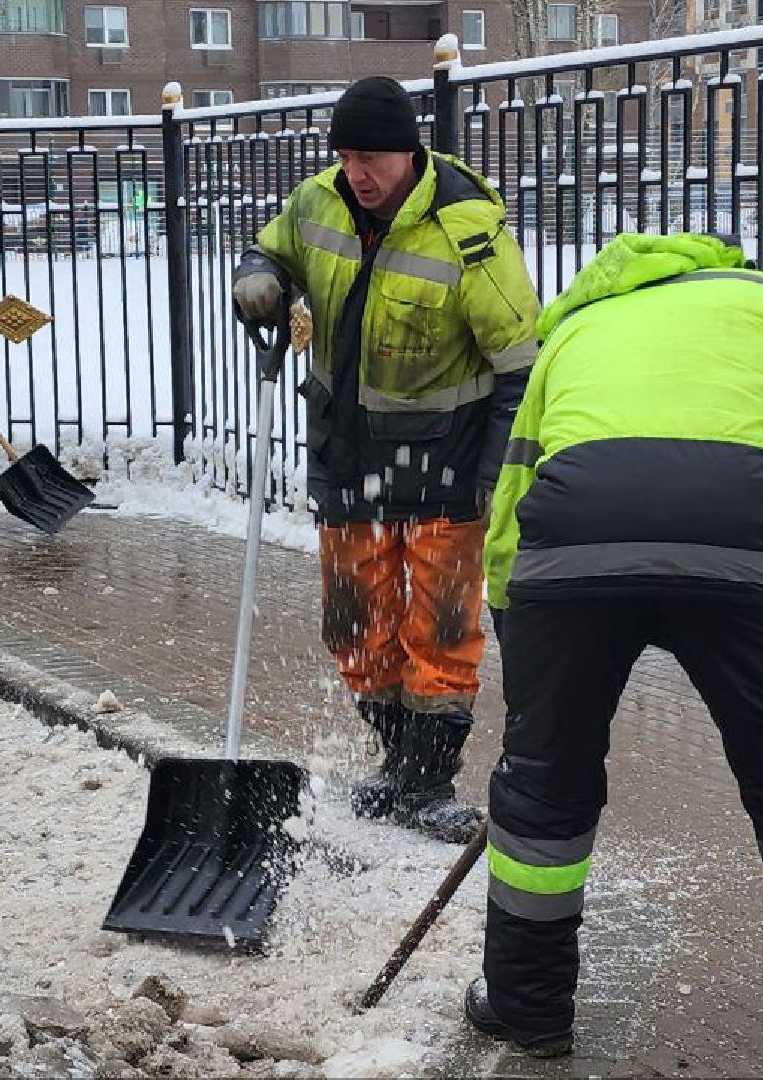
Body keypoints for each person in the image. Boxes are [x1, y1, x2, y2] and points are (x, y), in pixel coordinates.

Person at [467, 232, 763, 1071]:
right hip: (738, 535)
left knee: (544, 784)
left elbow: (515, 491)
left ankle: (529, 1013)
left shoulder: (574, 327)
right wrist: (751, 552)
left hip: (571, 550)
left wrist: (515, 622)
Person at [230, 76, 539, 844]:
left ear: (409, 153)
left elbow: (522, 367)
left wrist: (496, 475)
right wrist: (258, 282)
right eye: (345, 154)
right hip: (348, 454)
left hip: (448, 462)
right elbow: (266, 251)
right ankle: (397, 765)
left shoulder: (469, 234)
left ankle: (428, 782)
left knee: (436, 630)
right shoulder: (318, 201)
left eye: (370, 156)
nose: (356, 172)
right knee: (355, 624)